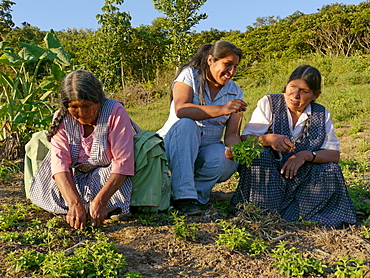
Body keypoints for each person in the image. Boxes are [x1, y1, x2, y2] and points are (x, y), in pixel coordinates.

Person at [230, 65, 356, 228]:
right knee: (259, 156)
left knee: (331, 170)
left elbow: (334, 155)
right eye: (292, 87)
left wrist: (305, 155)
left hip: (301, 177)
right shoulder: (269, 103)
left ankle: (302, 213)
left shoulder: (321, 113)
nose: (295, 95)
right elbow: (246, 139)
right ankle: (262, 211)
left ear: (315, 95)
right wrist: (268, 139)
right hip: (269, 175)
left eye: (304, 91)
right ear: (286, 86)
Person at [28, 70, 135, 229]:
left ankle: (99, 206)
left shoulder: (114, 111)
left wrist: (100, 201)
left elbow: (122, 162)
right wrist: (74, 203)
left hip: (106, 176)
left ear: (98, 100)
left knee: (111, 175)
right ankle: (79, 207)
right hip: (74, 178)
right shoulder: (62, 118)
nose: (82, 113)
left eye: (87, 106)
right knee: (54, 174)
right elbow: (60, 166)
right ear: (66, 106)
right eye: (74, 107)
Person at [157, 40, 247, 216]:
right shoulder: (189, 75)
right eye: (227, 65)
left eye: (235, 67)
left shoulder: (236, 92)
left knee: (227, 159)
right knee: (186, 124)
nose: (231, 72)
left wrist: (234, 149)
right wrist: (222, 109)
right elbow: (181, 109)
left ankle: (194, 196)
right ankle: (184, 197)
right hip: (175, 146)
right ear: (211, 60)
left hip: (204, 150)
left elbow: (231, 135)